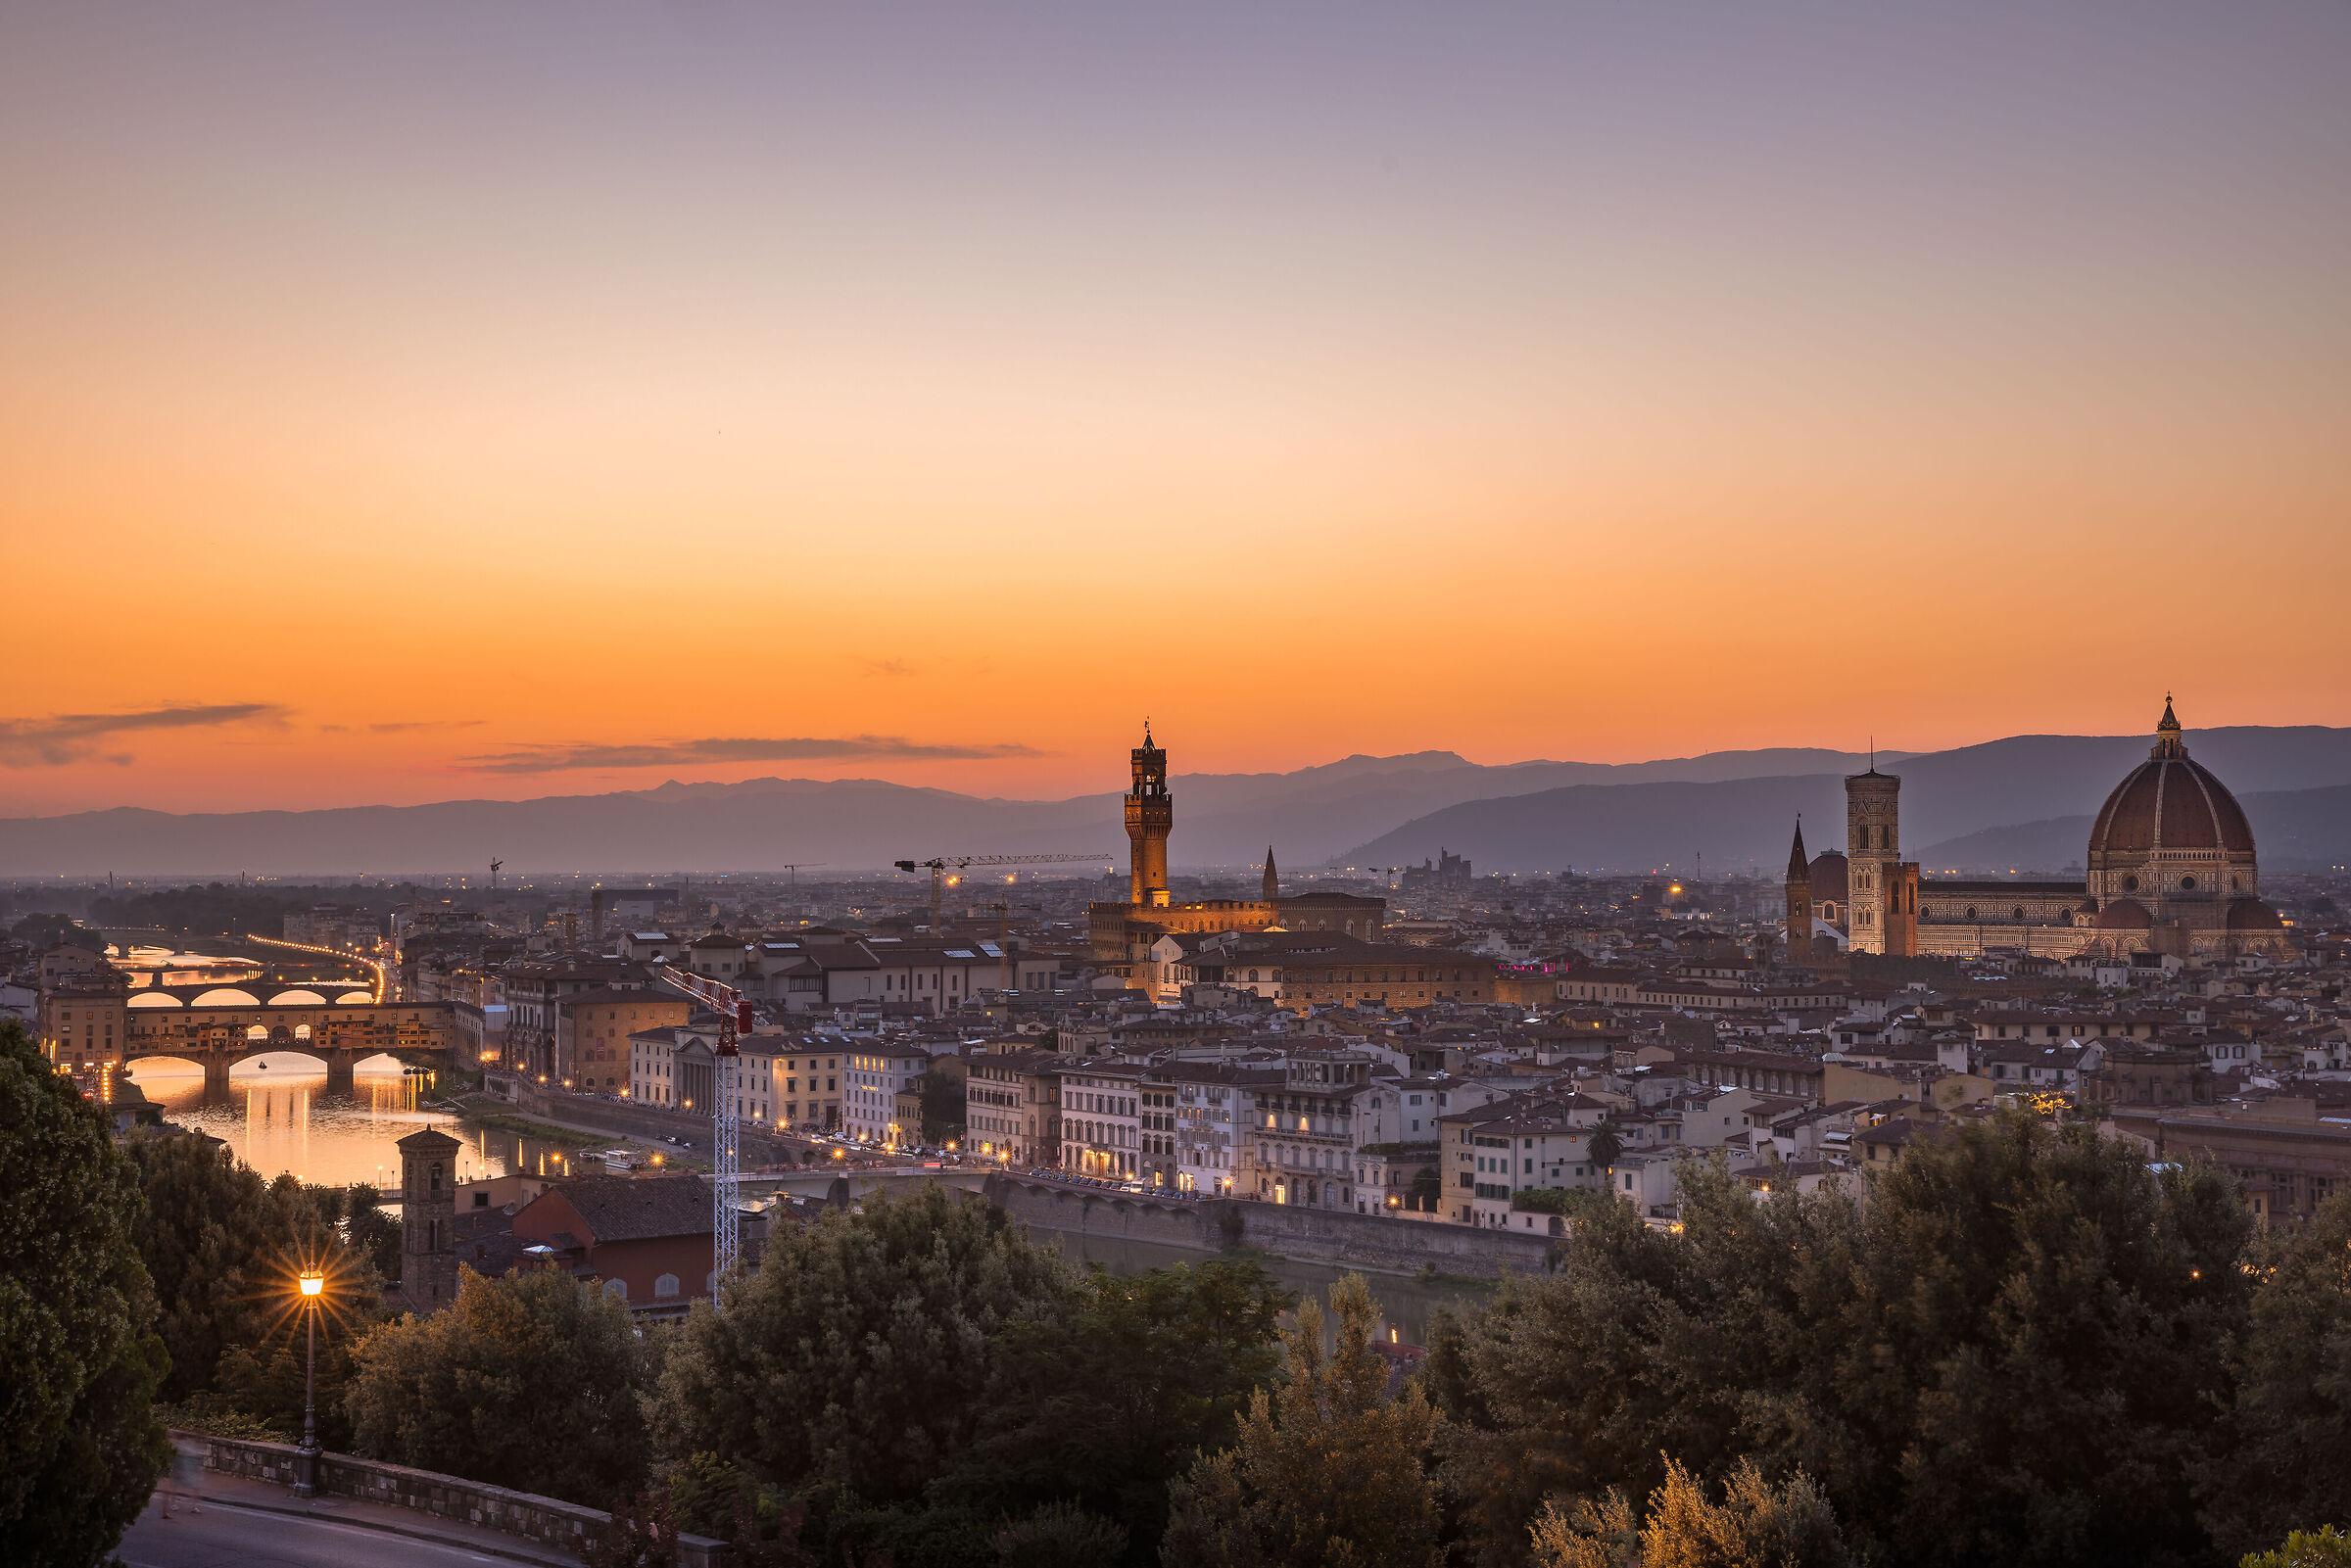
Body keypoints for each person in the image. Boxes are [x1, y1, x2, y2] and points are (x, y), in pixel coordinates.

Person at [157, 1434, 206, 1518]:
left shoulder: (175, 1446)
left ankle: (166, 1511)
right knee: (168, 1491)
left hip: (172, 1470)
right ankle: (167, 1510)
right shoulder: (173, 1447)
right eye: (171, 1437)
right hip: (170, 1471)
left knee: (168, 1491)